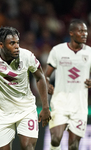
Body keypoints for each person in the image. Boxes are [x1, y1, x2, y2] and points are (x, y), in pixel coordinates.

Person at [45, 19, 91, 150]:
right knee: (55, 139)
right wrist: (47, 83)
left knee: (73, 146)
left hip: (80, 106)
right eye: (81, 31)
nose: (84, 34)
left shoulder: (89, 52)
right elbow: (45, 75)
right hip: (60, 103)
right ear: (71, 32)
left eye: (86, 31)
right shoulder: (58, 50)